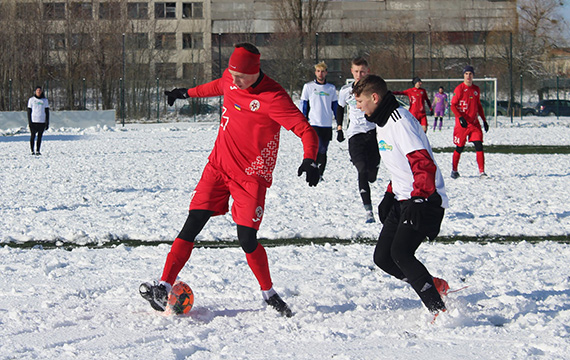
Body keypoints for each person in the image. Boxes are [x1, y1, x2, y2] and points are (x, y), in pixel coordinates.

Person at [140, 43, 320, 317]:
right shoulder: (231, 79)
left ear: (255, 72)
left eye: (240, 77)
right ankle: (163, 285)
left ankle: (268, 293)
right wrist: (184, 93)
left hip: (251, 178)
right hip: (218, 168)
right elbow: (214, 87)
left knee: (247, 239)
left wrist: (310, 158)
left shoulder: (274, 97)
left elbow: (305, 129)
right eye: (232, 74)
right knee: (192, 223)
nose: (233, 81)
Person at [352, 74, 449, 319]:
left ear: (375, 97)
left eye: (360, 100)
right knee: (383, 257)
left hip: (425, 198)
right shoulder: (382, 122)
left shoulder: (400, 121)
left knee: (401, 254)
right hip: (403, 197)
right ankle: (432, 284)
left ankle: (438, 310)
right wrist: (388, 193)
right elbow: (399, 165)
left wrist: (419, 197)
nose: (358, 106)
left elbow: (422, 163)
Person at [337, 57, 380, 223]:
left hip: (373, 133)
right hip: (355, 134)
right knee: (361, 170)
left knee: (372, 175)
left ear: (367, 71)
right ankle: (368, 211)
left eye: (362, 71)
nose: (359, 74)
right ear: (351, 72)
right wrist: (339, 128)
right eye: (356, 71)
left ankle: (373, 169)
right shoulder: (346, 91)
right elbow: (340, 108)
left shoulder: (374, 90)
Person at [300, 62, 338, 178]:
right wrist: (303, 120)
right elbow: (304, 105)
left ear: (326, 72)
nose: (320, 74)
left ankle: (320, 173)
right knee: (315, 148)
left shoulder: (331, 88)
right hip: (314, 123)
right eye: (318, 71)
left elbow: (335, 106)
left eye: (322, 71)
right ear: (315, 72)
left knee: (323, 150)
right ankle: (312, 171)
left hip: (326, 124)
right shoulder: (308, 87)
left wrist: (339, 122)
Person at [450, 65, 489, 179]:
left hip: (474, 123)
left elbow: (478, 106)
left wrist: (484, 120)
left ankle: (482, 172)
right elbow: (453, 105)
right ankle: (454, 170)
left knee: (479, 145)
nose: (468, 76)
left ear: (473, 75)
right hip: (462, 125)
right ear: (463, 75)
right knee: (460, 147)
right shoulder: (459, 89)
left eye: (470, 74)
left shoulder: (476, 89)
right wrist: (460, 118)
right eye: (466, 74)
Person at [27, 86, 50, 155]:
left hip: (41, 121)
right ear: (35, 91)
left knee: (40, 136)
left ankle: (38, 150)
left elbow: (47, 111)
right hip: (34, 121)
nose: (38, 92)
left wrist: (47, 122)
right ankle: (32, 150)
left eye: (40, 91)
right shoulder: (31, 100)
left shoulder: (45, 100)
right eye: (37, 91)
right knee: (33, 136)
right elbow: (29, 111)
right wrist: (29, 122)